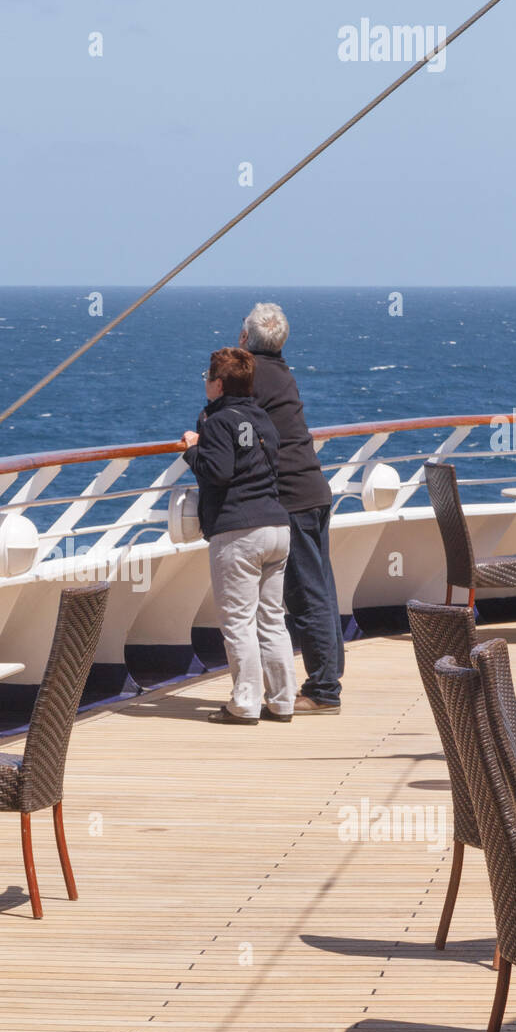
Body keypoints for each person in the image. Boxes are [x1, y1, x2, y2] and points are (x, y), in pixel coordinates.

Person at [181, 347, 296, 725]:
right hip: (277, 527)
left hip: (240, 530)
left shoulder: (216, 423)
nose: (206, 385)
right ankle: (281, 700)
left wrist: (192, 450)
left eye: (207, 379)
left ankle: (245, 702)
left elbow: (218, 471)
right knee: (272, 618)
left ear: (218, 384)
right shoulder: (262, 419)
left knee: (238, 620)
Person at [240, 302, 343, 714]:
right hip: (314, 490)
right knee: (323, 591)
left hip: (294, 500)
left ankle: (323, 691)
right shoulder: (281, 372)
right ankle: (329, 676)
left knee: (306, 597)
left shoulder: (252, 375)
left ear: (246, 337)